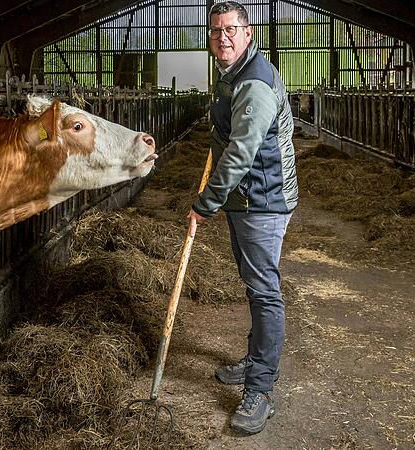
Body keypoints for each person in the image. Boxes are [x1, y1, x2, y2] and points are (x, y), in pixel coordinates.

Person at [189, 0, 298, 435]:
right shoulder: (232, 74)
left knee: (265, 291)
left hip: (263, 201)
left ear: (248, 32)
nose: (223, 37)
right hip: (246, 199)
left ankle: (261, 389)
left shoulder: (253, 82)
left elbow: (241, 152)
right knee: (254, 287)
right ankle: (255, 361)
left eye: (231, 29)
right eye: (215, 31)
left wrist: (205, 201)